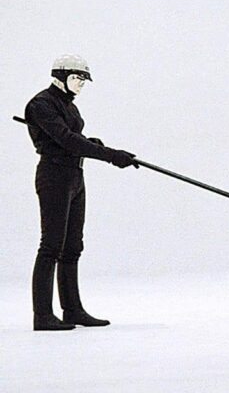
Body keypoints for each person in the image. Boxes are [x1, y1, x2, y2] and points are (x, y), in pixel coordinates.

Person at [24, 54, 139, 331]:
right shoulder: (41, 104)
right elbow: (65, 140)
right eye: (77, 78)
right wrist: (110, 155)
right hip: (54, 176)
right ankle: (43, 315)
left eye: (84, 81)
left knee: (73, 246)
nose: (80, 84)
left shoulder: (68, 105)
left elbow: (72, 139)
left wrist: (92, 144)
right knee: (51, 245)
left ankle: (72, 310)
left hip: (74, 176)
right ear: (60, 76)